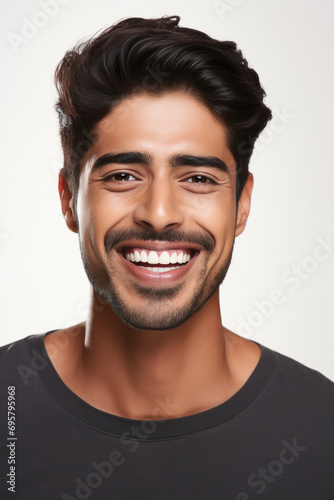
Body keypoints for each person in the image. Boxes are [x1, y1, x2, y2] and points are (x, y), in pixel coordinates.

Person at [0, 15, 333, 500]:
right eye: (122, 176)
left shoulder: (321, 430)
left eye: (198, 178)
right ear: (68, 196)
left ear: (241, 204)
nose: (159, 214)